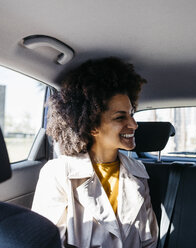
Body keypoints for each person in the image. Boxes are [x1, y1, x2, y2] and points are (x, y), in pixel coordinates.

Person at [32, 57, 158, 248]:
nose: (134, 124)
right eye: (120, 117)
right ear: (92, 126)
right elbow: (45, 243)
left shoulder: (138, 172)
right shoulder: (58, 173)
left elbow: (149, 240)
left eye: (131, 113)